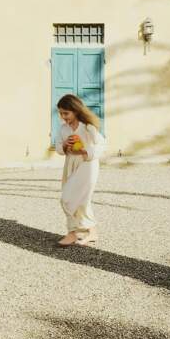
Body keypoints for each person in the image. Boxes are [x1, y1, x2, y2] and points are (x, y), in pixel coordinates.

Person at [54, 94, 106, 247]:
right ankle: (92, 232)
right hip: (70, 165)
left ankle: (73, 233)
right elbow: (58, 148)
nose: (63, 117)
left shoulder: (88, 127)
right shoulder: (63, 129)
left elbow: (102, 145)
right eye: (61, 113)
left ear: (75, 111)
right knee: (82, 200)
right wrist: (65, 145)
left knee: (67, 199)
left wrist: (85, 151)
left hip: (87, 165)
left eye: (66, 113)